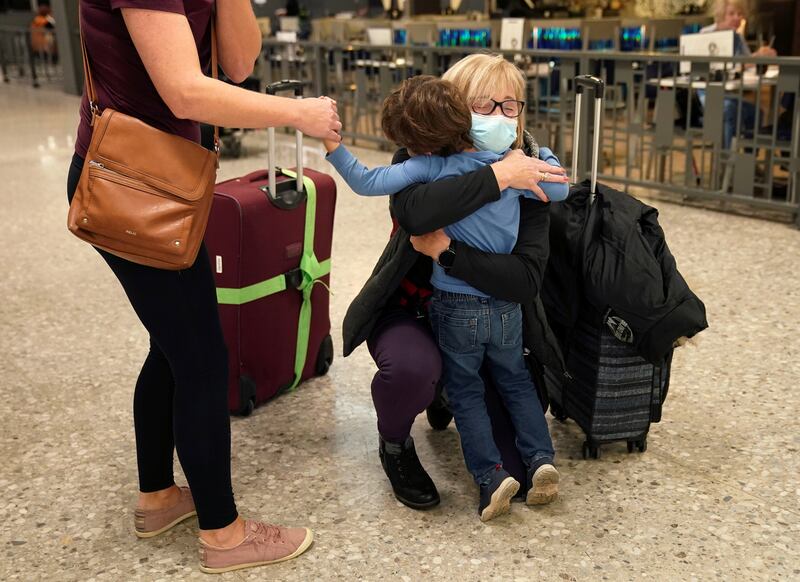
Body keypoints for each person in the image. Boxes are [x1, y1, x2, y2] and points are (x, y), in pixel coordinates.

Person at [68, 0, 340, 574]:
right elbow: (185, 92)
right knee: (201, 360)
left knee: (172, 347)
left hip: (163, 179)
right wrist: (295, 114)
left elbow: (239, 62)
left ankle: (159, 498)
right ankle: (224, 534)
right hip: (132, 181)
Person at [326, 72, 567, 520]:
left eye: (508, 105)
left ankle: (495, 473)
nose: (498, 114)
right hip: (423, 309)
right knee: (451, 375)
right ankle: (399, 443)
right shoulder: (441, 160)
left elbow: (525, 278)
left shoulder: (502, 164)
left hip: (462, 306)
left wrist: (332, 146)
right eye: (483, 104)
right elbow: (415, 212)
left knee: (471, 389)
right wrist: (505, 172)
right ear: (456, 110)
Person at [699, 0, 778, 149]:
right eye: (731, 14)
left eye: (740, 14)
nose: (737, 17)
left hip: (729, 93)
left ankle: (748, 162)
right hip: (709, 94)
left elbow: (747, 65)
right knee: (730, 109)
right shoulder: (706, 34)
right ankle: (728, 162)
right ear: (721, 15)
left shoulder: (738, 38)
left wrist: (763, 56)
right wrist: (755, 57)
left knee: (757, 113)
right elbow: (720, 67)